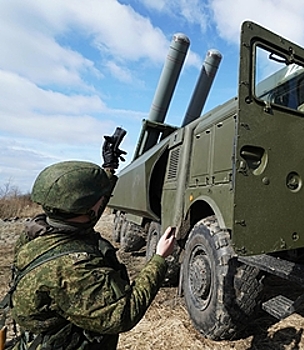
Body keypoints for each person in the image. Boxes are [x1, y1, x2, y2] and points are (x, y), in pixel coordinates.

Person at [6, 132, 176, 349]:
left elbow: (89, 209)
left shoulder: (40, 230)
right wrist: (159, 259)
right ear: (85, 209)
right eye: (99, 198)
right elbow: (124, 313)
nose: (103, 201)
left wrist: (109, 169)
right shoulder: (74, 269)